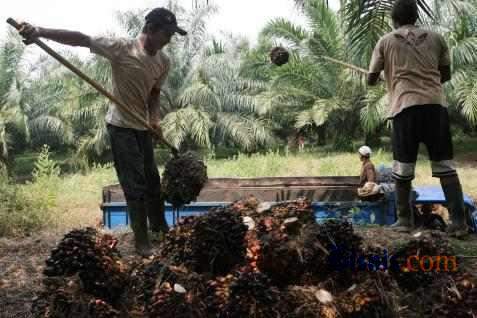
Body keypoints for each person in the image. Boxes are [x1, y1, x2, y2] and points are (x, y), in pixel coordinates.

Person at [19, 7, 188, 255]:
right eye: (167, 33)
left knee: (153, 181)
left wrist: (154, 119)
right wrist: (40, 32)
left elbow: (154, 93)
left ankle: (160, 228)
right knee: (135, 185)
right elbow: (81, 39)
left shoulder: (163, 62)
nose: (169, 40)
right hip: (121, 127)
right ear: (151, 29)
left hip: (142, 126)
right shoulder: (122, 48)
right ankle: (142, 242)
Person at [367, 0, 468, 237]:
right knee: (445, 166)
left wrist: (387, 78)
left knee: (403, 168)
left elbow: (371, 78)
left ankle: (404, 221)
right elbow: (445, 74)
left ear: (395, 20)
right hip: (435, 107)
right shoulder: (436, 38)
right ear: (415, 17)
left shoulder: (386, 41)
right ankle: (459, 223)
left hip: (405, 108)